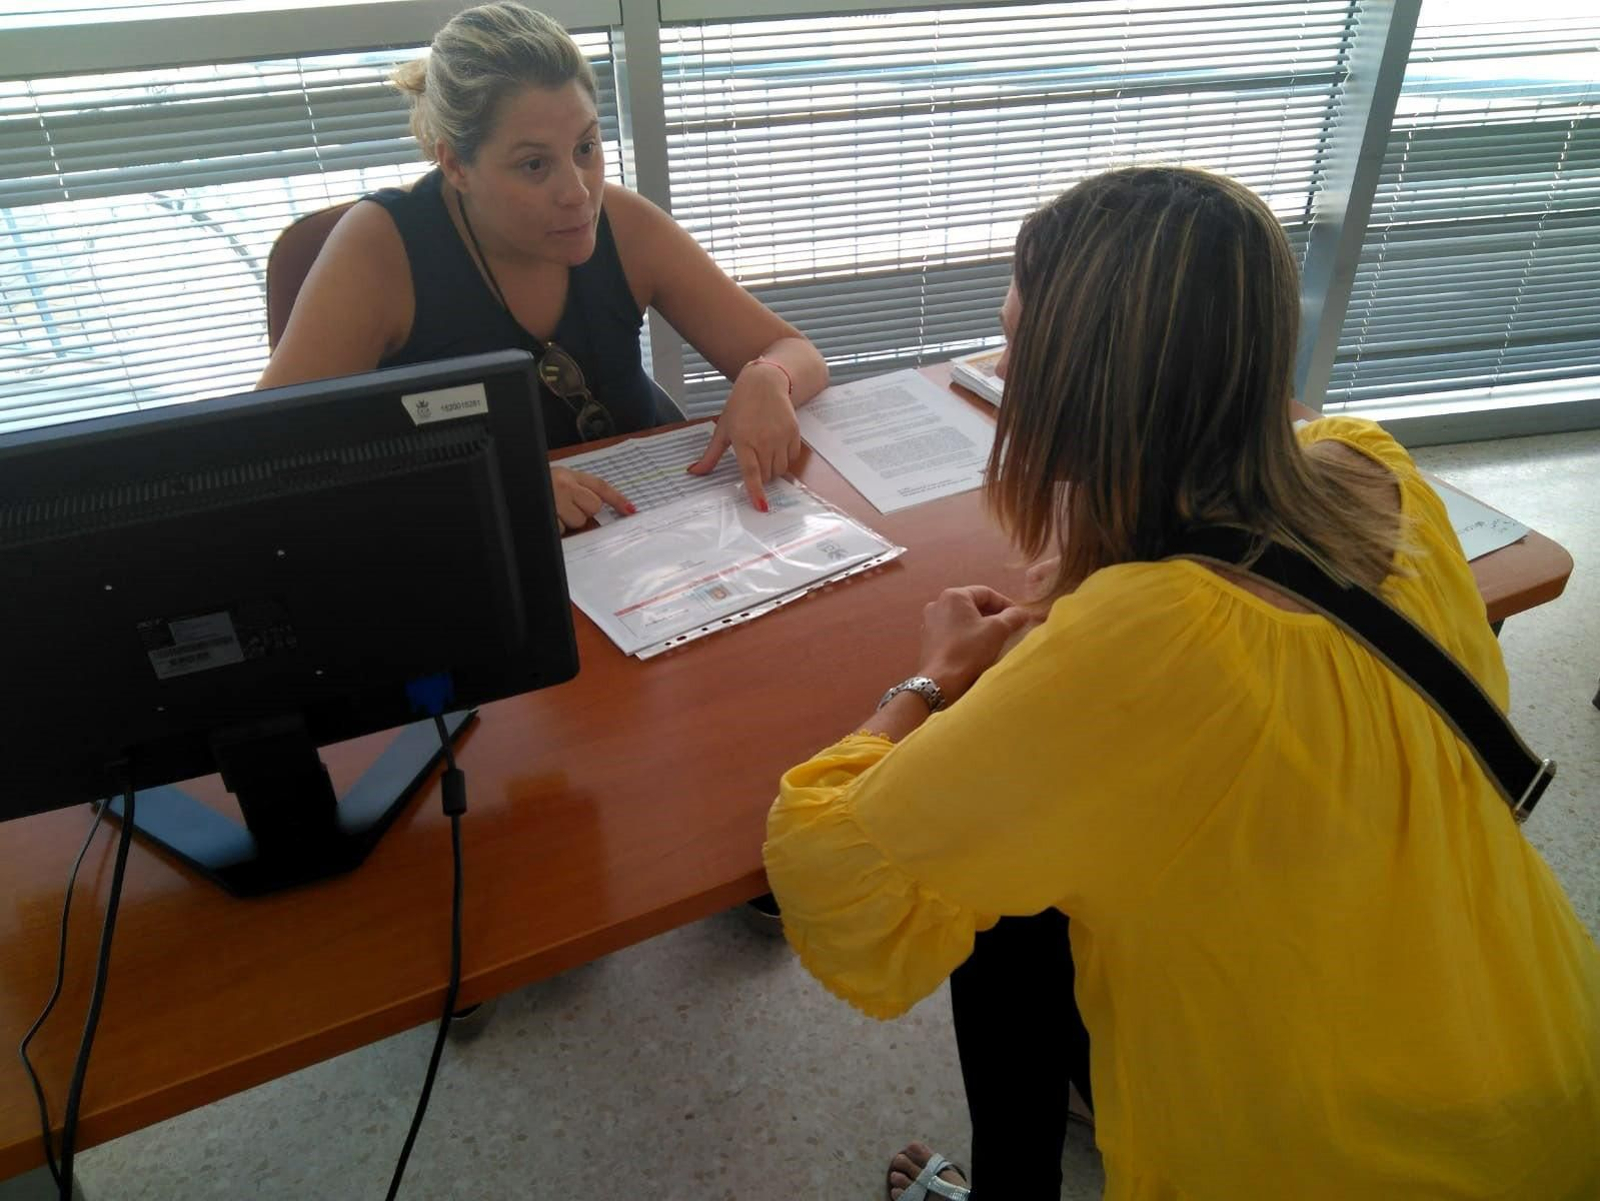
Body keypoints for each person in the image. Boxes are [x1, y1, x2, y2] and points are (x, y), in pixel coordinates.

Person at [763, 167, 1600, 1199]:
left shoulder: (1144, 642)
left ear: (1080, 387)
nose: (998, 367)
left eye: (1017, 341)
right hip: (1538, 1058)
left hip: (1342, 1159)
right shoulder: (1369, 467)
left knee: (992, 886)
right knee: (1031, 877)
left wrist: (930, 680)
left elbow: (828, 875)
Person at [259, 2, 827, 530]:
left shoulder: (624, 225)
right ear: (456, 164)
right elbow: (266, 453)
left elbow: (795, 352)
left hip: (652, 534)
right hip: (482, 552)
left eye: (585, 147)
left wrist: (767, 378)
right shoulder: (382, 250)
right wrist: (492, 488)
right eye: (534, 164)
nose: (577, 193)